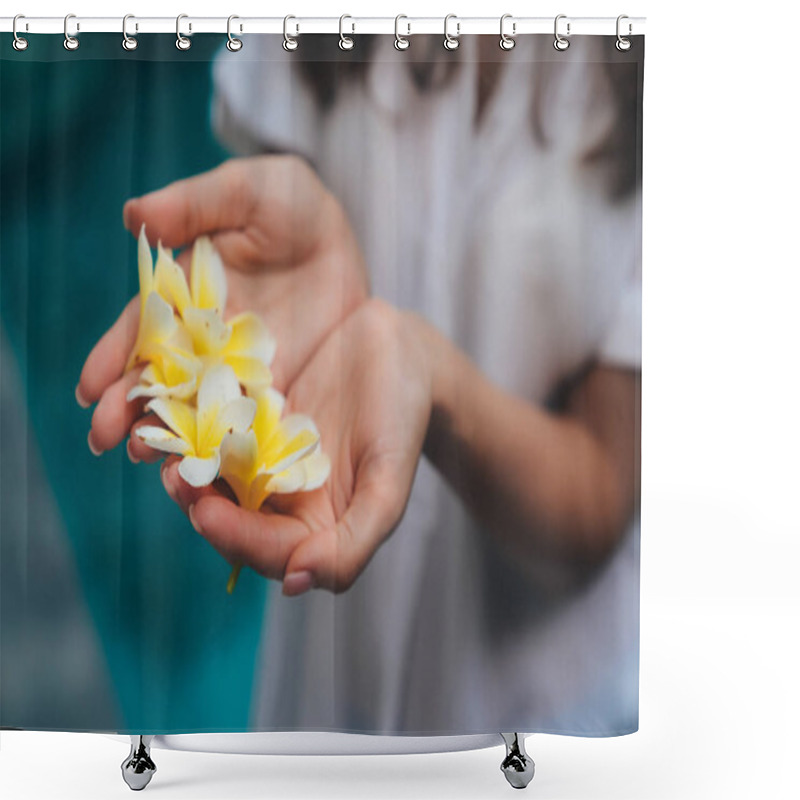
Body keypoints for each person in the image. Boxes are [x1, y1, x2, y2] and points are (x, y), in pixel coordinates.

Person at [76, 33, 642, 735]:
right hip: (336, 659)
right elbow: (270, 238)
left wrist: (432, 378)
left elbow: (601, 491)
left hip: (540, 702)